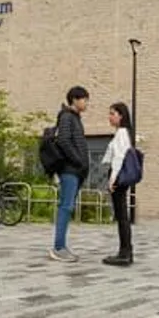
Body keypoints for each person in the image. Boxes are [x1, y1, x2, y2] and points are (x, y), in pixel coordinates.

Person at [49, 86, 90, 262]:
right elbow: (64, 141)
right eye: (84, 99)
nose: (86, 103)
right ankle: (58, 247)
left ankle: (61, 246)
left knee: (67, 207)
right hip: (69, 170)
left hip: (75, 170)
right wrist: (78, 161)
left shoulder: (75, 118)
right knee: (65, 207)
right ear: (74, 99)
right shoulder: (67, 117)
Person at [101, 102, 134, 266]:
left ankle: (125, 252)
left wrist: (112, 179)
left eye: (113, 113)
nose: (110, 117)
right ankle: (126, 250)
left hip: (119, 177)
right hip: (120, 176)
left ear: (121, 116)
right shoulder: (124, 133)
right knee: (122, 215)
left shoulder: (122, 133)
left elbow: (119, 158)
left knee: (121, 215)